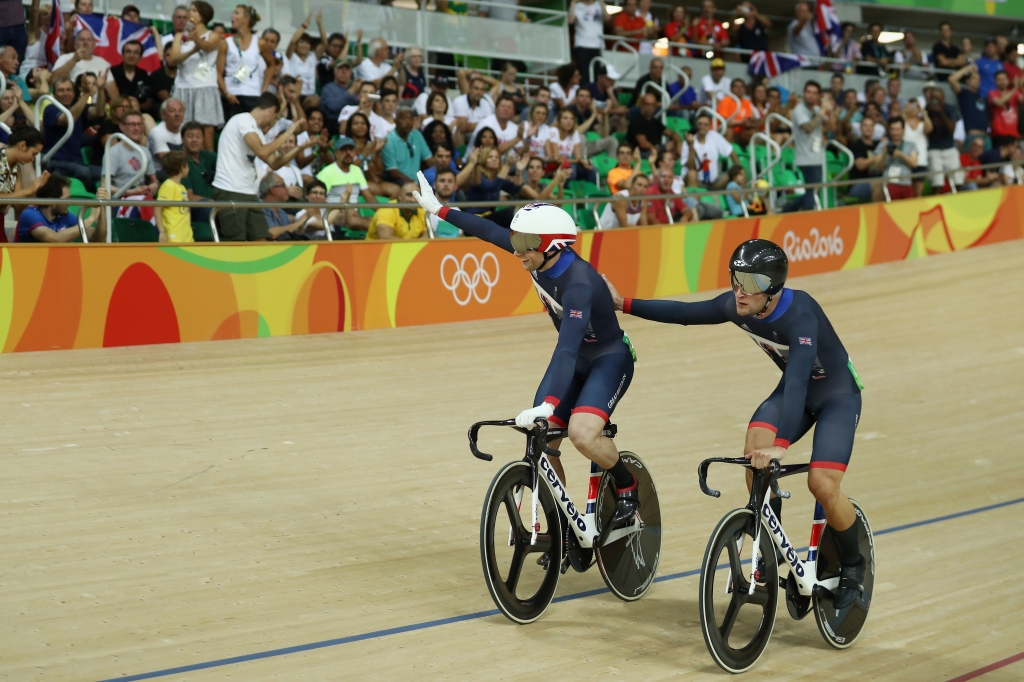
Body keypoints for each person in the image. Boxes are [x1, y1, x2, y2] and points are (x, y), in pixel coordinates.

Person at [606, 239, 868, 610]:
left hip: (837, 397)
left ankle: (855, 565)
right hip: (797, 393)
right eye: (737, 278)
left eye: (753, 282)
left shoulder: (802, 315)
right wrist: (622, 304)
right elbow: (684, 312)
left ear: (774, 289)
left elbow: (796, 382)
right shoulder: (739, 305)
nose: (740, 290)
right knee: (753, 452)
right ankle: (770, 546)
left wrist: (782, 445)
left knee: (822, 485)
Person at [412, 174, 643, 547]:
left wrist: (548, 403)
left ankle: (628, 487)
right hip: (576, 358)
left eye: (524, 244)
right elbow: (487, 230)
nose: (516, 250)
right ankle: (564, 520)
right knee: (541, 438)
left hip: (609, 359)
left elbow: (566, 348)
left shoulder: (579, 283)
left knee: (581, 435)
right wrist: (439, 208)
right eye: (516, 241)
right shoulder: (535, 250)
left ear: (552, 247)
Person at [212, 93, 306, 241]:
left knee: (261, 240)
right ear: (271, 110)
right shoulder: (243, 120)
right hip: (230, 189)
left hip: (248, 192)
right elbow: (262, 152)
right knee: (237, 243)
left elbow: (274, 163)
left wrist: (298, 148)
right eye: (275, 118)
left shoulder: (257, 132)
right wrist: (288, 132)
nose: (272, 123)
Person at [166, 2, 223, 150]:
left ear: (203, 16)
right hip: (183, 87)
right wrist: (191, 51)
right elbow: (172, 60)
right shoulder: (179, 36)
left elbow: (209, 47)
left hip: (205, 87)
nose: (190, 13)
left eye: (193, 10)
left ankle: (209, 170)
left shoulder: (214, 35)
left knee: (207, 133)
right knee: (184, 132)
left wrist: (196, 39)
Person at [43, 75, 106, 191]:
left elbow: (99, 112)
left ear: (73, 93)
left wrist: (101, 90)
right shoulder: (50, 109)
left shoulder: (79, 107)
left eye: (68, 90)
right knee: (84, 172)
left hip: (76, 162)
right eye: (61, 90)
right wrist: (86, 95)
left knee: (106, 173)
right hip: (55, 162)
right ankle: (91, 201)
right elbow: (66, 120)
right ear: (54, 94)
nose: (65, 93)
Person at [16, 173, 110, 242]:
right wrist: (90, 219)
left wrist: (101, 207)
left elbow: (97, 239)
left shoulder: (64, 216)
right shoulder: (29, 214)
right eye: (66, 199)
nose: (69, 203)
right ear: (52, 200)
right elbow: (55, 239)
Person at [217, 4, 273, 118]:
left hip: (252, 93)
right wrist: (226, 94)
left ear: (246, 19)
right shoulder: (226, 43)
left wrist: (264, 89)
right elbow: (218, 73)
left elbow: (271, 65)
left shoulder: (260, 42)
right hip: (232, 94)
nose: (232, 16)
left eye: (237, 13)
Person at [783, 81, 832, 212]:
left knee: (813, 192)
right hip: (806, 157)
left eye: (814, 93)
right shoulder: (799, 110)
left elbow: (832, 127)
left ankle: (786, 211)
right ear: (804, 93)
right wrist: (822, 111)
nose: (811, 95)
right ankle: (806, 217)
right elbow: (808, 127)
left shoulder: (815, 109)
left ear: (818, 96)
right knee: (811, 192)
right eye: (808, 92)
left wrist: (830, 110)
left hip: (817, 156)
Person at [106, 109, 159, 198]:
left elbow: (154, 180)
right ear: (122, 126)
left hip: (141, 199)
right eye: (132, 124)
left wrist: (154, 186)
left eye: (139, 124)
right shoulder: (113, 152)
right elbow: (104, 186)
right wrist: (131, 192)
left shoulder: (145, 151)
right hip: (121, 201)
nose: (137, 128)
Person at [316, 135, 379, 205]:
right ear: (336, 153)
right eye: (343, 149)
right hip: (333, 213)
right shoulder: (326, 173)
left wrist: (383, 213)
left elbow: (369, 198)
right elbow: (318, 200)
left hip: (353, 213)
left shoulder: (357, 170)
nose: (348, 152)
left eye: (351, 149)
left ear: (355, 152)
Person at [381, 109, 433, 186]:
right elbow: (393, 172)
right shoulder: (389, 140)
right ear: (395, 120)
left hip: (418, 181)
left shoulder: (417, 135)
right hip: (399, 181)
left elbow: (429, 160)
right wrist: (414, 183)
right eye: (403, 118)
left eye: (410, 118)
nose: (408, 122)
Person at [283, 12, 323, 111]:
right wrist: (305, 24)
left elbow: (324, 43)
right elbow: (292, 41)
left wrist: (320, 24)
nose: (304, 45)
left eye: (307, 43)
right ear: (296, 45)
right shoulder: (290, 56)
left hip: (310, 97)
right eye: (301, 42)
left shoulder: (312, 57)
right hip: (295, 95)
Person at [689, 112, 738, 190]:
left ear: (709, 126)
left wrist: (738, 169)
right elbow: (690, 167)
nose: (702, 126)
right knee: (691, 174)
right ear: (696, 125)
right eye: (700, 124)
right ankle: (695, 201)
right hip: (698, 182)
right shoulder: (689, 140)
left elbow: (730, 150)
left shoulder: (714, 135)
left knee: (733, 173)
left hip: (714, 182)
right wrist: (691, 145)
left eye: (705, 124)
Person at [154, 150, 192, 242]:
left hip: (186, 238)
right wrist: (162, 232)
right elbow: (157, 209)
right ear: (183, 167)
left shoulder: (182, 187)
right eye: (187, 165)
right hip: (173, 238)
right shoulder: (168, 185)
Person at [877, 116, 918, 201]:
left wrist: (900, 154)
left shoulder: (910, 144)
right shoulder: (883, 145)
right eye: (892, 129)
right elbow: (878, 167)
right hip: (889, 182)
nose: (895, 132)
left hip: (906, 182)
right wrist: (885, 153)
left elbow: (914, 163)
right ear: (889, 130)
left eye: (898, 129)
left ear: (903, 130)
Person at [257, 171, 308, 239]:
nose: (287, 188)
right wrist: (298, 223)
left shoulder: (281, 212)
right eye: (283, 185)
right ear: (273, 190)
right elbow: (273, 233)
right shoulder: (258, 207)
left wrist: (303, 222)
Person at [568, 0, 608, 84]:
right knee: (583, 74)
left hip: (598, 45)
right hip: (582, 44)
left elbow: (607, 19)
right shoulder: (577, 6)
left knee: (598, 74)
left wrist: (601, 3)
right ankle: (584, 93)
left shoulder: (599, 4)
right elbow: (570, 21)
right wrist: (573, 3)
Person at [847, 116, 884, 202]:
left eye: (871, 126)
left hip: (879, 179)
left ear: (874, 129)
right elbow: (860, 165)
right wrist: (876, 157)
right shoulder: (856, 144)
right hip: (858, 185)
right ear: (860, 128)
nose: (868, 128)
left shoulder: (878, 144)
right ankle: (879, 214)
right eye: (865, 125)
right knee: (878, 185)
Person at [948, 64, 990, 138]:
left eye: (979, 79)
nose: (977, 81)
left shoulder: (982, 97)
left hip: (986, 135)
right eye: (974, 78)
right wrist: (967, 69)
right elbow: (952, 79)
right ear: (967, 81)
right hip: (972, 135)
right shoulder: (964, 93)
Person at [988, 71, 1022, 148]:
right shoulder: (992, 93)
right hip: (998, 133)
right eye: (999, 79)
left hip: (1013, 133)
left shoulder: (1015, 92)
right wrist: (1015, 88)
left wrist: (1022, 85)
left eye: (1004, 79)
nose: (1002, 81)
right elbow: (999, 102)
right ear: (995, 82)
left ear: (1008, 80)